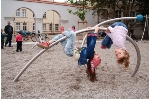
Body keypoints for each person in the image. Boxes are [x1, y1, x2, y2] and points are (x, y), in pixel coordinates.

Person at [37, 26, 101, 82]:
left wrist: (96, 31)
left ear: (94, 60)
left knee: (72, 34)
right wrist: (89, 32)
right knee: (60, 36)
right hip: (69, 50)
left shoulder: (91, 54)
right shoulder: (89, 53)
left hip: (70, 50)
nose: (98, 55)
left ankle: (64, 32)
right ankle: (48, 43)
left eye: (98, 57)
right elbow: (89, 43)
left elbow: (92, 43)